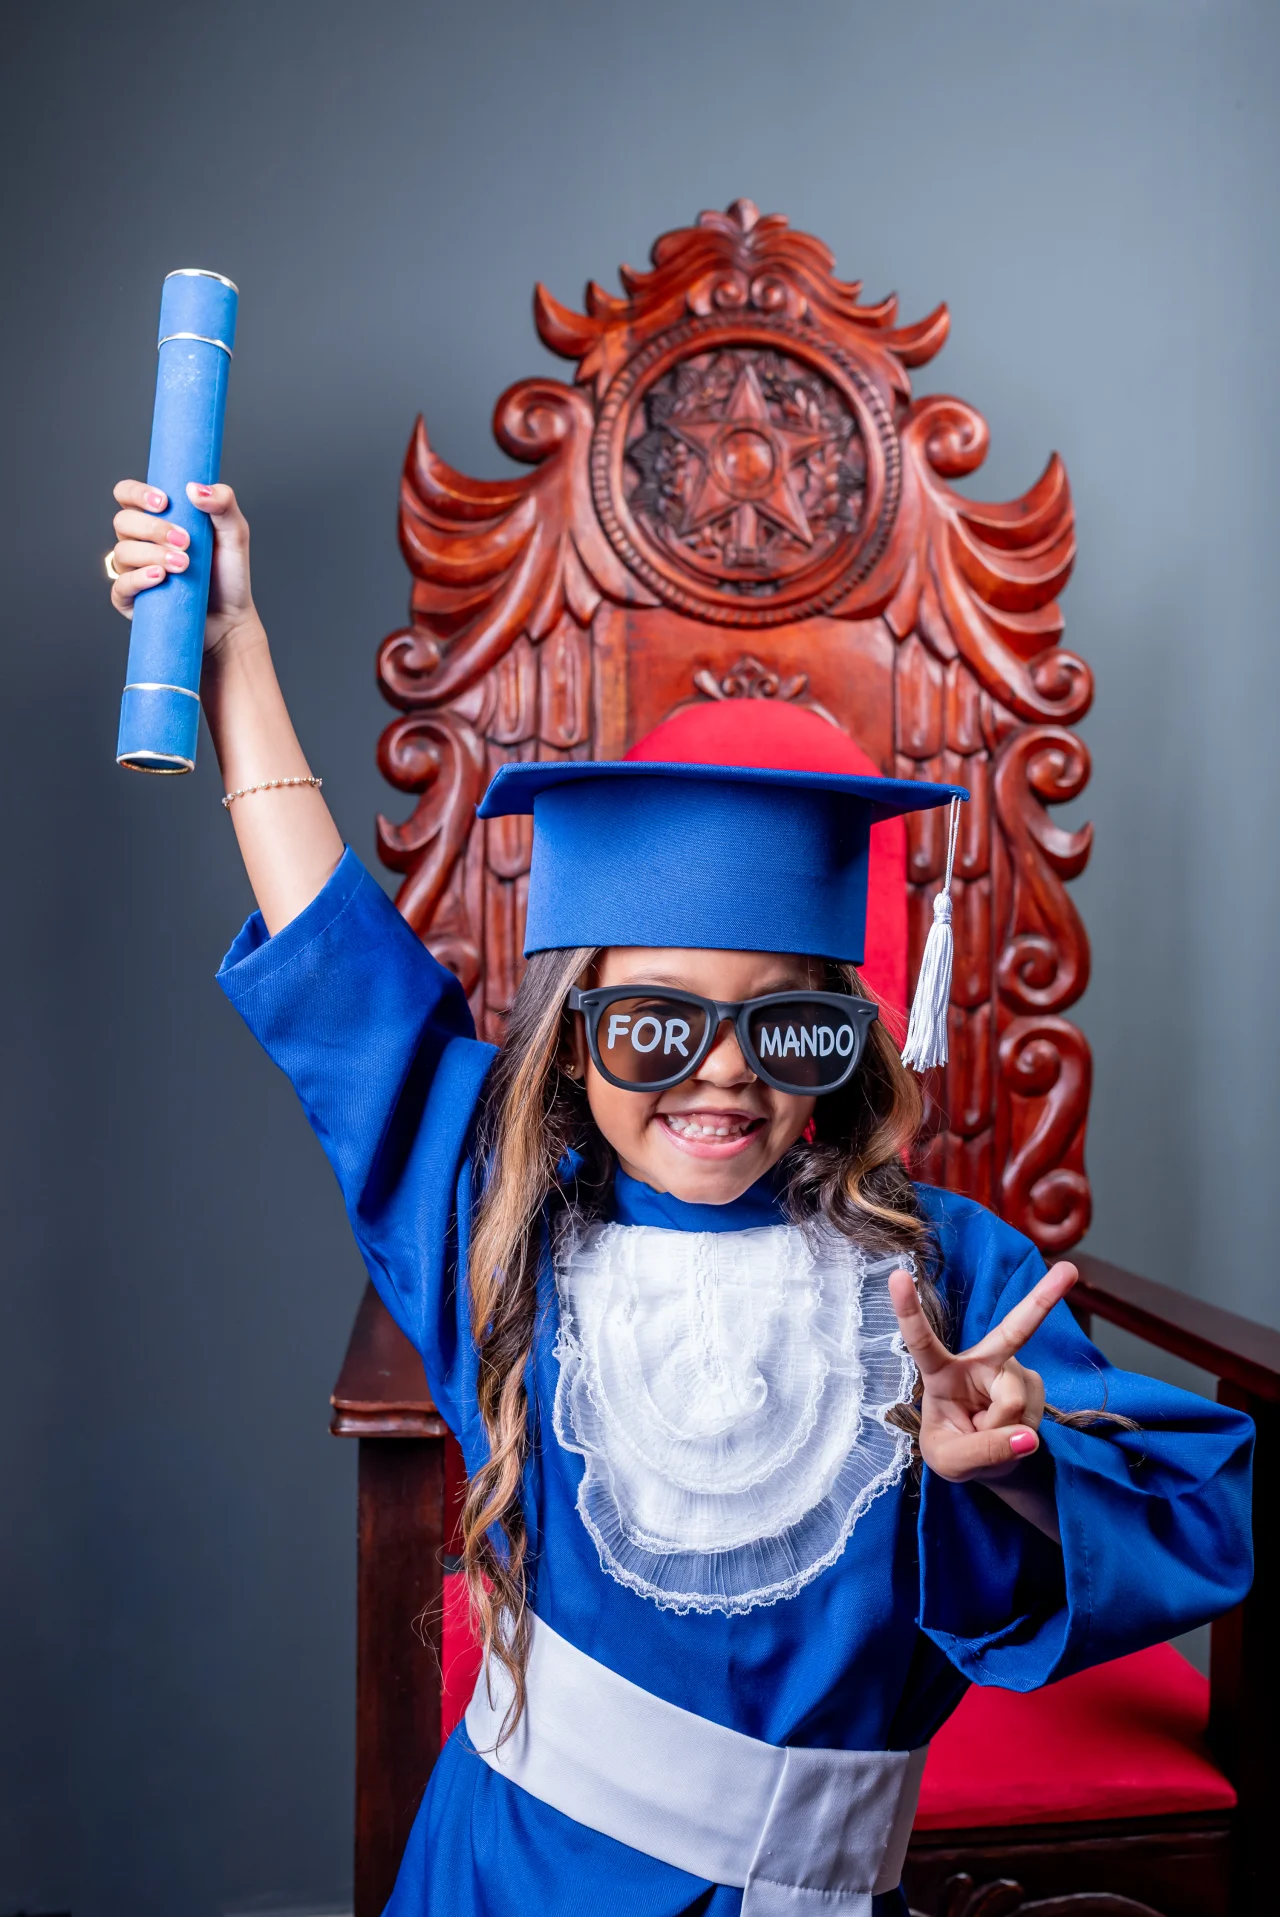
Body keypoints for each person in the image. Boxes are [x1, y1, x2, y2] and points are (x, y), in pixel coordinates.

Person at [106, 479, 1254, 1917]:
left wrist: (1013, 1462)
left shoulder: (947, 1273)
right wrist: (233, 651)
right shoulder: (501, 1224)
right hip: (519, 1879)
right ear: (574, 1036)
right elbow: (342, 976)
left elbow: (1199, 1512)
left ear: (845, 1042)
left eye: (788, 1027)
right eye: (655, 1024)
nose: (723, 1075)